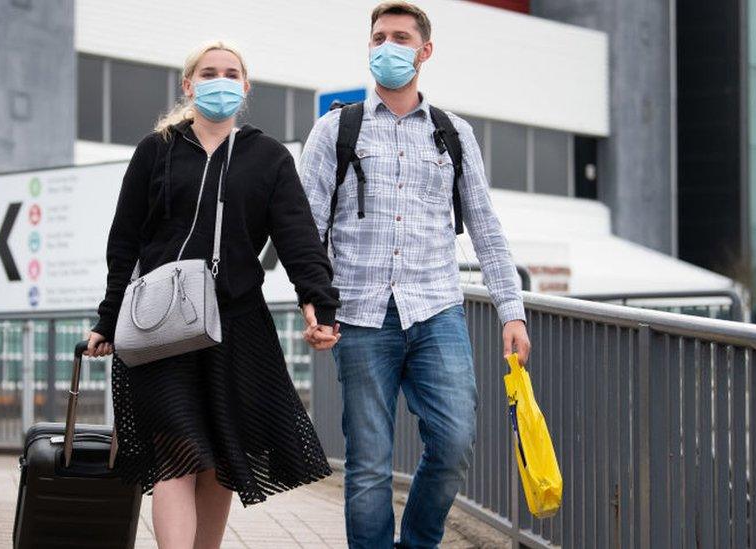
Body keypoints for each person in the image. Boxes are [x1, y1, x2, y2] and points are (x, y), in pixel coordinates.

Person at [84, 41, 341, 549]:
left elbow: (298, 239)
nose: (219, 81)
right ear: (188, 84)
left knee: (220, 460)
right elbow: (124, 240)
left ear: (244, 88)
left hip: (236, 325)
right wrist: (108, 319)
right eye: (208, 72)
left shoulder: (267, 157)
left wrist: (320, 306)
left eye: (230, 73)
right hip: (160, 324)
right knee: (176, 455)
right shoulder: (155, 149)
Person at [299, 2, 532, 547]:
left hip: (437, 311)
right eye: (379, 36)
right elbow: (305, 230)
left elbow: (486, 227)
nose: (388, 46)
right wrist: (314, 303)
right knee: (369, 468)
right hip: (359, 316)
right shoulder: (334, 130)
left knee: (454, 443)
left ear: (424, 51)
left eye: (401, 37)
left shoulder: (453, 133)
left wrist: (511, 311)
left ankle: (418, 543)